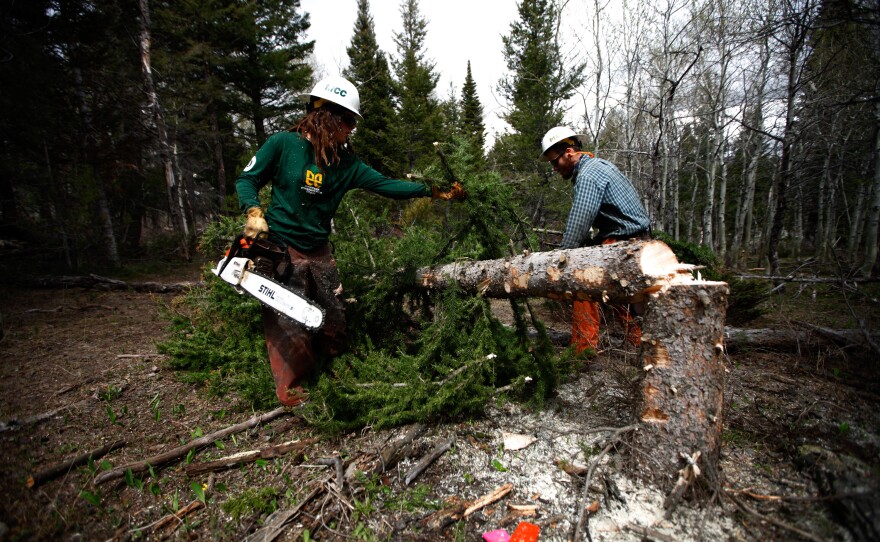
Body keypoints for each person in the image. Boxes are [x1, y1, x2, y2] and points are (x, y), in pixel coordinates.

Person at [236, 75, 465, 407]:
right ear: (324, 114)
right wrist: (253, 210)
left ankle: (335, 375)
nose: (349, 128)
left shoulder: (346, 164)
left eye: (352, 122)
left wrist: (433, 190)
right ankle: (294, 394)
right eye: (345, 120)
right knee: (288, 320)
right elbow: (248, 178)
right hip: (282, 246)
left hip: (319, 250)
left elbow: (389, 185)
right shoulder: (283, 144)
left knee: (333, 319)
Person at [539, 126, 651, 354]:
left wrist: (561, 258)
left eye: (555, 161)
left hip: (624, 241)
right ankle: (637, 344)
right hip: (633, 240)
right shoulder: (599, 167)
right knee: (618, 292)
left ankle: (583, 352)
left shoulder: (589, 175)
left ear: (569, 152)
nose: (554, 168)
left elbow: (581, 218)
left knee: (583, 285)